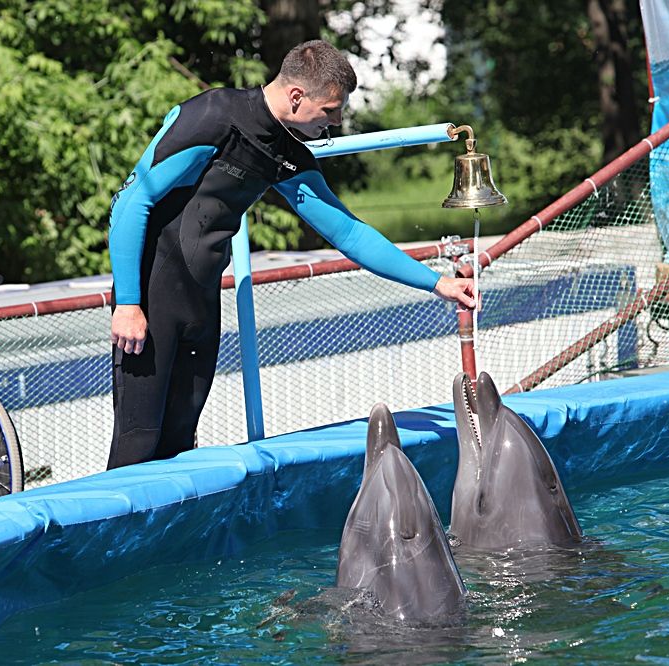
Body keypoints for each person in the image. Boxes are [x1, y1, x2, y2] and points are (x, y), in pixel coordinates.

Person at [106, 40, 477, 469]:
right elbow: (132, 204)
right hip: (151, 295)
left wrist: (438, 283)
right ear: (297, 96)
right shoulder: (213, 116)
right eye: (331, 110)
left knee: (179, 442)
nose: (335, 123)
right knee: (138, 443)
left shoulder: (286, 153)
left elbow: (349, 232)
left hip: (200, 300)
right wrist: (129, 303)